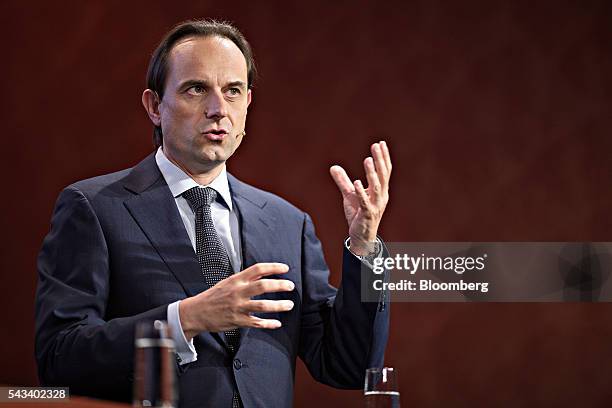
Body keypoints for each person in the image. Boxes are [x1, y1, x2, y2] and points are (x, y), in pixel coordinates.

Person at [35, 19, 392, 408]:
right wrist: (184, 319)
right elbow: (59, 357)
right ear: (155, 106)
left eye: (233, 91)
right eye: (196, 89)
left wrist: (364, 247)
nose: (218, 109)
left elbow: (347, 365)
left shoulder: (287, 223)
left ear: (248, 104)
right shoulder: (94, 207)